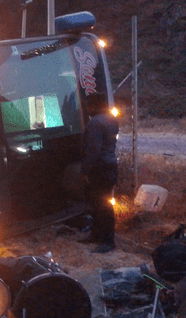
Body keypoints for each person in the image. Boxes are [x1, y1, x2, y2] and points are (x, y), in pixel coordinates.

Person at [79, 93, 119, 253]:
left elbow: (93, 149)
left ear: (94, 105)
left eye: (89, 104)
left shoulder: (95, 123)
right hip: (110, 166)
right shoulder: (111, 119)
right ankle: (97, 235)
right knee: (100, 204)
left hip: (99, 168)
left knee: (101, 205)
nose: (87, 108)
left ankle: (108, 241)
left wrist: (85, 170)